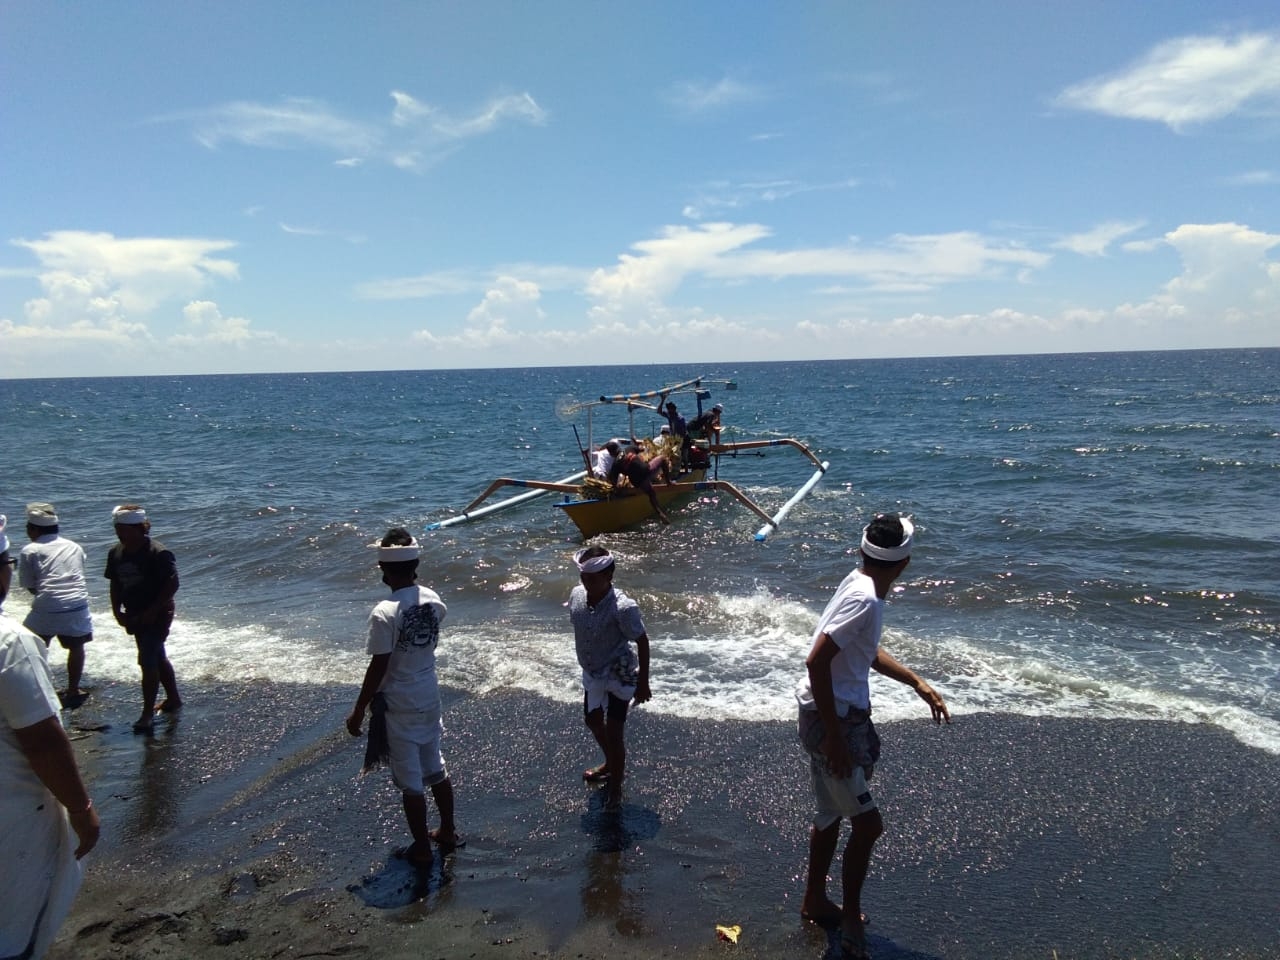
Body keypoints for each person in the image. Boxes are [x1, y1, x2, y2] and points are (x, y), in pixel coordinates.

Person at [796, 514, 949, 960]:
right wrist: (836, 740)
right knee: (868, 824)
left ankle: (814, 901)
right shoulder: (865, 599)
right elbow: (817, 662)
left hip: (832, 716)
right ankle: (848, 919)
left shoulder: (860, 584)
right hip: (834, 722)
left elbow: (862, 649)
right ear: (903, 562)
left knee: (830, 814)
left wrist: (915, 682)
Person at [347, 528, 457, 867]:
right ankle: (448, 830)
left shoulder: (384, 612)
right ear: (416, 565)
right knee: (435, 765)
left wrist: (358, 708)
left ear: (383, 569)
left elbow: (379, 665)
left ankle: (422, 847)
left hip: (400, 702)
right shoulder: (432, 599)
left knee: (411, 781)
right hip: (428, 691)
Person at [1, 596, 101, 958]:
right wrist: (81, 808)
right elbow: (43, 740)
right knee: (17, 929)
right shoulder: (10, 641)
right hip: (14, 817)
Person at [568, 546, 651, 810]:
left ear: (610, 576)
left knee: (615, 732)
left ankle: (616, 785)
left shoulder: (623, 608)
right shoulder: (577, 595)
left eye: (594, 579)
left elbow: (642, 641)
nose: (587, 584)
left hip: (619, 672)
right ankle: (610, 761)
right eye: (584, 578)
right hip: (593, 670)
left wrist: (643, 682)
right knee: (592, 720)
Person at [103, 504, 182, 734]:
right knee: (157, 655)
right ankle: (174, 699)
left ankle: (147, 714)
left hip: (158, 613)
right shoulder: (116, 552)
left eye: (124, 529)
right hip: (134, 612)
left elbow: (172, 584)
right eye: (118, 529)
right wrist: (116, 610)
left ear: (140, 528)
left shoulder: (158, 553)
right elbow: (115, 583)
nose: (120, 533)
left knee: (147, 659)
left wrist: (152, 611)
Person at [19, 503, 94, 706]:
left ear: (34, 529)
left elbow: (29, 585)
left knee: (31, 645)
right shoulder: (74, 546)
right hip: (77, 604)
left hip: (48, 605)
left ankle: (41, 688)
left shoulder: (30, 550)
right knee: (76, 646)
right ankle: (73, 689)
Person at [607, 445, 673, 523]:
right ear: (618, 448)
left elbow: (613, 481)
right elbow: (642, 449)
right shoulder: (629, 448)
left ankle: (660, 513)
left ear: (611, 454)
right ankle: (669, 482)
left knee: (651, 493)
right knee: (662, 458)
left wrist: (618, 490)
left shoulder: (615, 465)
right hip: (646, 471)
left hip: (638, 481)